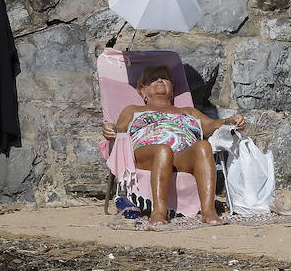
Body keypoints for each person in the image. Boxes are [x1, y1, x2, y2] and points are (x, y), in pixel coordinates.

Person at [103, 64, 245, 226]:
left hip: (180, 157)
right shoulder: (133, 110)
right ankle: (159, 212)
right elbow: (118, 130)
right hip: (146, 155)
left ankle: (208, 211)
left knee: (203, 146)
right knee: (163, 151)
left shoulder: (188, 111)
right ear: (142, 90)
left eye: (165, 78)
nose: (159, 80)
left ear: (172, 87)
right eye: (153, 79)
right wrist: (109, 129)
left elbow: (211, 125)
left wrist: (230, 121)